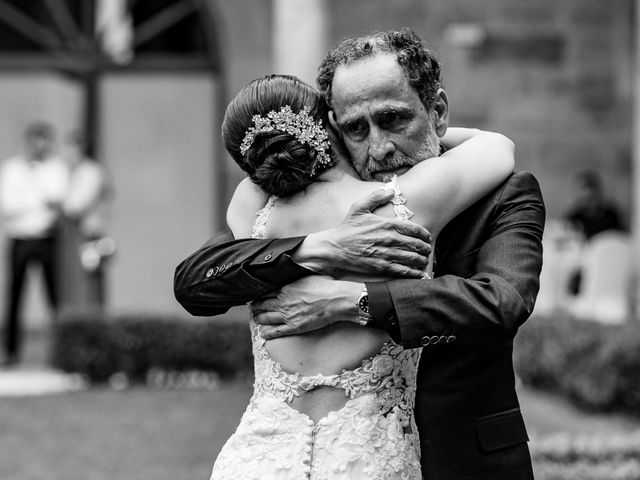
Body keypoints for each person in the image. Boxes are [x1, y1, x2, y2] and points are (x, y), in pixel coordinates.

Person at [175, 29, 545, 480]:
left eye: (394, 119)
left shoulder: (504, 193)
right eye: (356, 128)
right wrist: (318, 249)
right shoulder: (299, 207)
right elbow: (196, 282)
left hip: (460, 458)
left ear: (438, 111)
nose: (379, 148)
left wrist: (354, 302)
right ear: (331, 129)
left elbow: (502, 303)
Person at [0, 121, 69, 366]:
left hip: (47, 238)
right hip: (20, 238)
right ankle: (10, 352)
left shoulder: (57, 168)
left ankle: (61, 351)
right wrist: (38, 202)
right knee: (15, 296)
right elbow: (7, 207)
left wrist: (33, 188)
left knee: (55, 296)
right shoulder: (11, 169)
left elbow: (58, 202)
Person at [62, 130, 115, 308]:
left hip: (88, 234)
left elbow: (76, 206)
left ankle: (91, 323)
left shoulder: (91, 172)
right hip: (78, 233)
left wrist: (57, 204)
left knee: (89, 284)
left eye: (69, 147)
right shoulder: (78, 172)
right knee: (77, 284)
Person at [564, 169, 624, 240]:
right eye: (587, 199)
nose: (591, 203)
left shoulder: (611, 215)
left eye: (592, 198)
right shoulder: (574, 217)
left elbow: (620, 237)